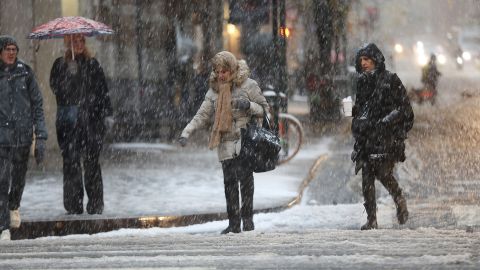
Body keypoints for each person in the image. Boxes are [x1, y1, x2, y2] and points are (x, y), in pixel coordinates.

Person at [178, 51, 269, 234]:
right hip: (225, 141)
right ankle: (234, 223)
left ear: (233, 70)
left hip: (245, 142)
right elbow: (202, 115)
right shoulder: (214, 90)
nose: (220, 75)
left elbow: (265, 109)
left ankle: (248, 220)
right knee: (229, 184)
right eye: (217, 71)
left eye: (224, 72)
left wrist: (248, 105)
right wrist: (186, 132)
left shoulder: (248, 85)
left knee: (245, 181)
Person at [351, 43, 414, 230]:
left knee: (383, 174)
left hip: (386, 137)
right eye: (361, 59)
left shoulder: (391, 80)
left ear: (376, 60)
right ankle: (372, 219)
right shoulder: (362, 82)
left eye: (367, 59)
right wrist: (352, 111)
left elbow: (404, 109)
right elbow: (361, 108)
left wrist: (386, 122)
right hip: (367, 136)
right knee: (366, 176)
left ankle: (399, 198)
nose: (364, 63)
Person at [50, 34, 113, 215]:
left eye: (81, 41)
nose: (78, 45)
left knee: (92, 164)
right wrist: (69, 74)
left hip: (91, 123)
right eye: (74, 42)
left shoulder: (93, 64)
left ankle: (95, 204)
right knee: (71, 164)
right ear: (67, 44)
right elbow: (56, 89)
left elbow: (103, 92)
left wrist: (106, 116)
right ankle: (73, 205)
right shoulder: (60, 65)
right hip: (68, 125)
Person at [0, 35, 48, 240]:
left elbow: (37, 104)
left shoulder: (25, 73)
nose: (12, 52)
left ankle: (14, 206)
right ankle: (3, 226)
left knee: (18, 179)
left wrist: (41, 137)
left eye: (14, 49)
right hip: (2, 138)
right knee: (2, 181)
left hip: (23, 137)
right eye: (8, 49)